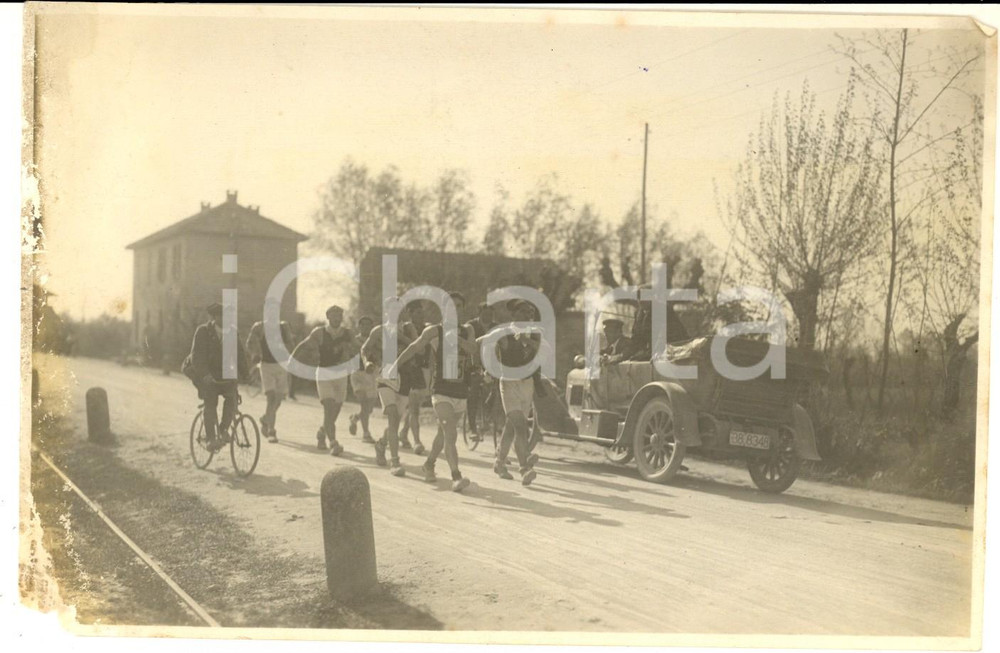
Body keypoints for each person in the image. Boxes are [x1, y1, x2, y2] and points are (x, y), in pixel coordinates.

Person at [392, 291, 478, 492]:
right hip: (441, 390)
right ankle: (456, 476)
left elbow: (473, 350)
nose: (454, 309)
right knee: (450, 433)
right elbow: (414, 347)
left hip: (460, 390)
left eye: (458, 305)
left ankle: (429, 464)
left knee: (443, 434)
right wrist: (395, 364)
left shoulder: (467, 330)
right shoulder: (434, 331)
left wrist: (456, 338)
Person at [290, 305, 360, 456]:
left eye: (339, 315)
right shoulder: (320, 332)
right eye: (333, 315)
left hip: (341, 374)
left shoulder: (348, 333)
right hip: (324, 373)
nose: (336, 318)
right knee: (328, 408)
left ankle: (322, 433)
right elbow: (303, 344)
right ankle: (333, 443)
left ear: (342, 318)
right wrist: (292, 359)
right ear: (328, 317)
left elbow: (359, 347)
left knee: (333, 413)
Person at [485, 299, 541, 486]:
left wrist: (526, 340)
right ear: (514, 314)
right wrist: (487, 369)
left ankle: (500, 463)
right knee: (520, 425)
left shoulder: (534, 332)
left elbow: (542, 350)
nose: (528, 315)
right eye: (524, 312)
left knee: (511, 426)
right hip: (509, 382)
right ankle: (525, 467)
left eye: (530, 312)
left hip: (527, 383)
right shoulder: (503, 331)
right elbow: (484, 345)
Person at [363, 300, 414, 477]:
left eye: (399, 310)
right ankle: (395, 461)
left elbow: (418, 348)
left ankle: (381, 444)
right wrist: (367, 361)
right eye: (391, 310)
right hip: (385, 376)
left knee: (395, 422)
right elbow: (365, 348)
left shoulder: (409, 329)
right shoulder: (379, 331)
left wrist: (402, 337)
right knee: (392, 415)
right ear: (386, 312)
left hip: (405, 378)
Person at [188, 303, 249, 448]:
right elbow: (197, 356)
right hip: (205, 374)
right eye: (223, 316)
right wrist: (205, 375)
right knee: (210, 403)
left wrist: (246, 375)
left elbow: (240, 355)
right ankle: (210, 438)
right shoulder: (203, 331)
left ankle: (223, 430)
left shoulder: (232, 333)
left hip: (224, 374)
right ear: (215, 317)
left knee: (232, 399)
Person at [245, 299, 294, 443]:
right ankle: (272, 430)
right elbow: (249, 343)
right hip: (266, 365)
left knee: (278, 400)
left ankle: (266, 418)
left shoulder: (284, 327)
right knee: (271, 397)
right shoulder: (259, 327)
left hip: (282, 366)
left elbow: (291, 345)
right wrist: (254, 354)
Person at [398, 301, 430, 454]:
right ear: (410, 314)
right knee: (414, 408)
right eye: (417, 312)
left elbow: (429, 353)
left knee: (414, 407)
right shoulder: (403, 329)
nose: (421, 315)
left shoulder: (427, 328)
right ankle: (416, 441)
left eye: (421, 311)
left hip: (421, 372)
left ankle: (403, 432)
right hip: (406, 371)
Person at [464, 302, 496, 438]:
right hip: (473, 364)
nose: (488, 316)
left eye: (490, 314)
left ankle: (488, 417)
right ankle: (472, 427)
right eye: (485, 314)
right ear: (479, 314)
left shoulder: (495, 327)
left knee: (497, 388)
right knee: (474, 391)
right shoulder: (471, 326)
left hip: (490, 364)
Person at [348, 315, 378, 444]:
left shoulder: (376, 341)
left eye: (368, 324)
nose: (366, 327)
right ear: (359, 326)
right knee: (363, 403)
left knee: (369, 409)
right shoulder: (354, 341)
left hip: (372, 375)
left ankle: (355, 418)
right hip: (357, 374)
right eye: (363, 324)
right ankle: (366, 433)